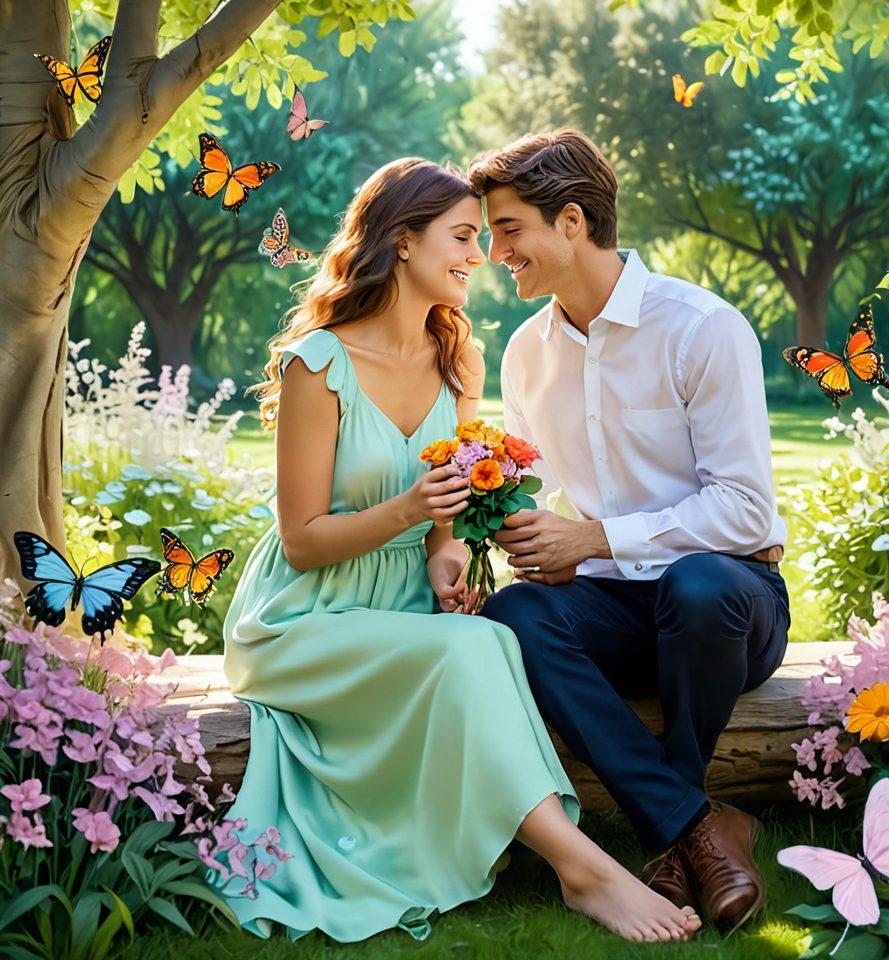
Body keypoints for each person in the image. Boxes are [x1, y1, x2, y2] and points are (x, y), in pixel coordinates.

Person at [213, 157, 702, 944]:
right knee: (476, 651)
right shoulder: (319, 365)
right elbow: (301, 543)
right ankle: (583, 870)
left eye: (485, 238)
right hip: (304, 617)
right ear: (402, 243)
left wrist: (444, 551)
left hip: (402, 605)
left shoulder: (457, 359)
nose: (482, 255)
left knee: (492, 636)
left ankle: (578, 861)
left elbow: (445, 514)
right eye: (464, 237)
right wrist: (408, 508)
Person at [469, 130, 790, 932]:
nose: (493, 249)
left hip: (729, 607)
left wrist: (595, 538)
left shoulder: (701, 328)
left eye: (509, 228)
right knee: (515, 617)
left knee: (701, 581)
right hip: (612, 607)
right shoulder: (524, 353)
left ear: (571, 221)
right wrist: (508, 532)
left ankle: (671, 835)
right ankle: (697, 829)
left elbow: (748, 512)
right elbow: (535, 490)